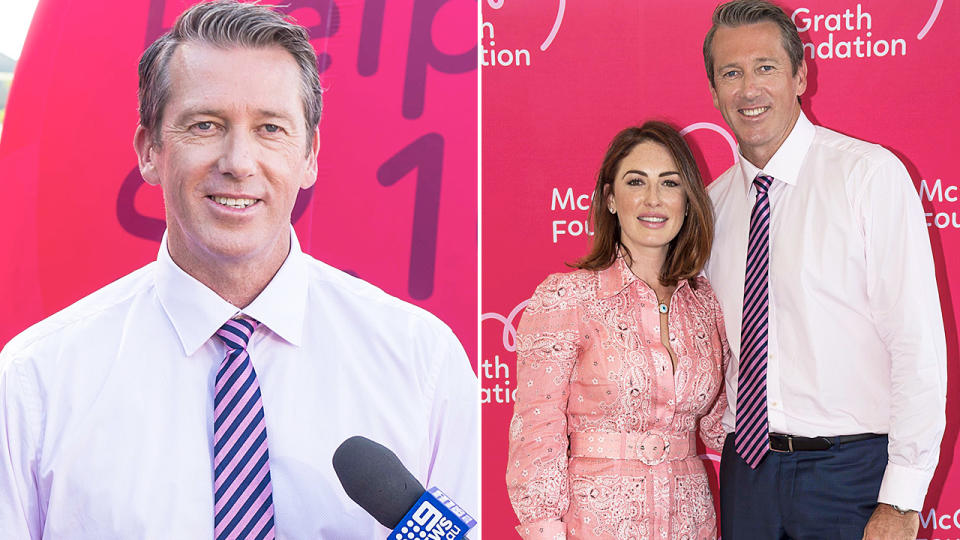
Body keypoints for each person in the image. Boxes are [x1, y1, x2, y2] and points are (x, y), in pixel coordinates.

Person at [0, 2, 478, 538]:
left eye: (270, 128)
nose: (238, 161)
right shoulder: (33, 383)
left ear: (310, 155)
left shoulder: (422, 364)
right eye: (205, 125)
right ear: (150, 152)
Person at [701, 1, 947, 539]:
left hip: (852, 478)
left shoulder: (869, 177)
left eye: (765, 67)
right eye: (731, 73)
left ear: (800, 75)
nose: (749, 89)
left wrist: (902, 501)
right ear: (715, 91)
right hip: (748, 476)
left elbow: (915, 344)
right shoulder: (711, 209)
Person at [506, 121, 728, 539]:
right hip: (596, 525)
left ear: (687, 200)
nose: (653, 199)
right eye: (635, 182)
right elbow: (538, 426)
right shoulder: (567, 298)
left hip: (691, 521)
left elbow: (721, 425)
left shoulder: (705, 304)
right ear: (610, 198)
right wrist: (542, 528)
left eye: (670, 183)